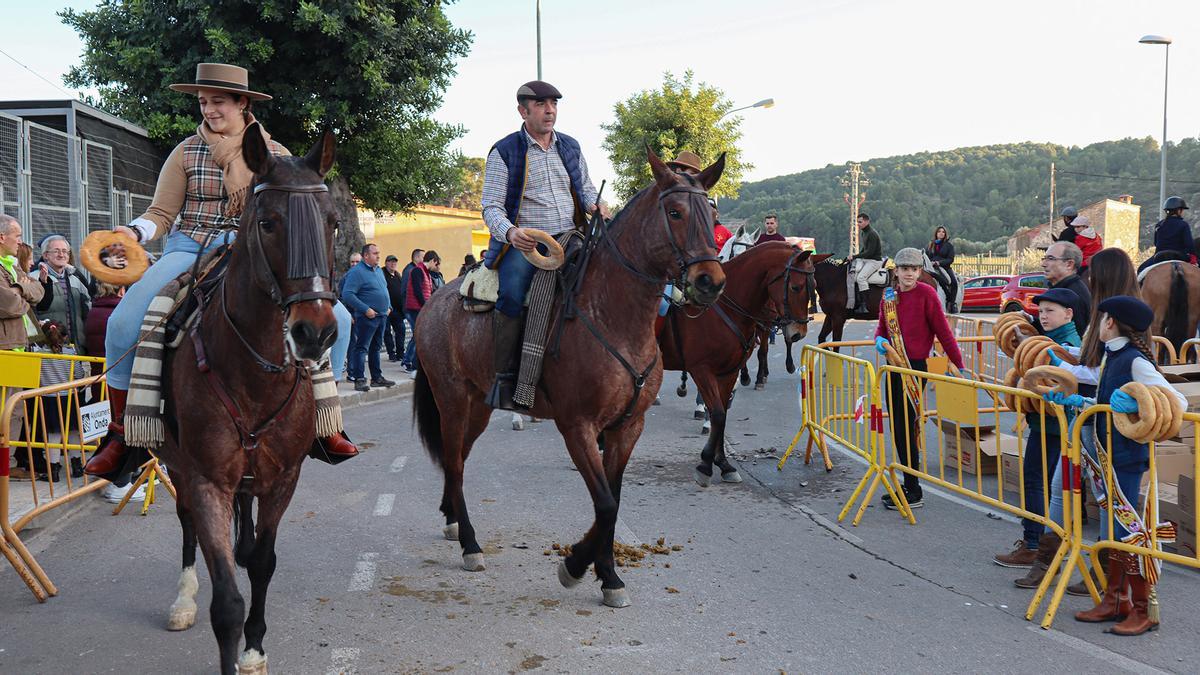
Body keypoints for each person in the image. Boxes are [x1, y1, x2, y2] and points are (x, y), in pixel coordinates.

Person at [85, 63, 358, 477]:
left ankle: (325, 423)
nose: (208, 110)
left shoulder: (278, 155)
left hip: (255, 254)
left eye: (217, 102)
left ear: (242, 103)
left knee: (341, 318)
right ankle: (123, 434)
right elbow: (161, 212)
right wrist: (134, 232)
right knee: (122, 323)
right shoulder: (185, 151)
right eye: (203, 102)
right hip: (190, 247)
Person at [1044, 296, 1184, 635]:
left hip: (1127, 456)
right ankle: (1115, 599)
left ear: (1110, 323)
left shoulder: (1135, 360)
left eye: (1101, 319)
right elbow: (1108, 403)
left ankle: (1143, 609)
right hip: (1108, 454)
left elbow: (1175, 400)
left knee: (1128, 532)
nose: (1096, 326)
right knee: (1113, 533)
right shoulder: (1113, 356)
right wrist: (1084, 402)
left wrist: (1137, 399)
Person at [480, 79, 607, 410]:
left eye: (553, 104)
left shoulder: (570, 146)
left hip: (573, 236)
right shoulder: (504, 150)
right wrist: (509, 233)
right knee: (511, 292)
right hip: (529, 244)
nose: (549, 110)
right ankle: (505, 378)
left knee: (608, 281)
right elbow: (490, 206)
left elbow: (587, 189)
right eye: (541, 105)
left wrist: (597, 205)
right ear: (523, 111)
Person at [1034, 248, 1136, 595]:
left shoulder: (1120, 317)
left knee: (1105, 495)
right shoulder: (1102, 314)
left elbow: (1103, 367)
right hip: (1086, 415)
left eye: (1096, 274)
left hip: (1103, 420)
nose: (1089, 279)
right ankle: (1046, 561)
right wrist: (1059, 357)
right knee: (1062, 489)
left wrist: (1059, 366)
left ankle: (1107, 571)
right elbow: (1092, 359)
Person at [996, 288, 1080, 571]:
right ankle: (1046, 545)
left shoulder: (1066, 342)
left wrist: (1026, 344)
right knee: (1043, 485)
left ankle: (1034, 545)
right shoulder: (1050, 338)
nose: (1043, 316)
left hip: (1055, 427)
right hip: (1044, 423)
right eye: (1041, 311)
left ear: (1068, 314)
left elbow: (1046, 373)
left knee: (1036, 482)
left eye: (1050, 311)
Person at [873, 247, 964, 509]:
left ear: (920, 271)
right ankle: (909, 483)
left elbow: (943, 331)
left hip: (915, 367)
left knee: (906, 426)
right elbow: (881, 327)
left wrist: (957, 362)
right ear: (896, 271)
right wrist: (879, 340)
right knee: (899, 427)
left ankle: (914, 489)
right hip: (894, 366)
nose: (909, 274)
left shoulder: (927, 294)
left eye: (913, 269)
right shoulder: (889, 297)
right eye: (904, 269)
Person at [341, 243, 395, 393]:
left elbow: (384, 289)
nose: (378, 256)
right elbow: (347, 294)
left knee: (376, 348)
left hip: (382, 315)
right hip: (367, 317)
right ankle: (359, 379)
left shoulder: (378, 270)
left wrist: (389, 305)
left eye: (379, 253)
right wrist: (365, 309)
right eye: (375, 253)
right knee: (361, 348)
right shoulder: (356, 272)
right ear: (366, 256)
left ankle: (377, 378)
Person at [33, 234, 91, 355]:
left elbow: (88, 311)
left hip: (76, 348)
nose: (61, 254)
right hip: (46, 348)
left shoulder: (76, 279)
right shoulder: (34, 278)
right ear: (45, 255)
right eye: (56, 251)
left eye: (65, 251)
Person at [403, 250, 442, 376]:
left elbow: (427, 291)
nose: (436, 267)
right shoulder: (417, 271)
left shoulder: (425, 272)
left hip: (420, 308)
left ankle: (411, 363)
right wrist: (426, 306)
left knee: (418, 337)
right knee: (419, 338)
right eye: (436, 264)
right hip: (415, 309)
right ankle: (413, 367)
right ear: (432, 261)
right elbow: (417, 291)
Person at [1040, 241, 1090, 336]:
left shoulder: (1074, 294)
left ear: (1069, 264)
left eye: (1050, 258)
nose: (1044, 264)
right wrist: (1029, 319)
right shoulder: (1060, 288)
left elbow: (1073, 338)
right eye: (1044, 258)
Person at [1137, 196, 1194, 273]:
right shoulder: (1183, 225)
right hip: (1179, 257)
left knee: (1140, 269)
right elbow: (1190, 245)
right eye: (1182, 210)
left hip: (1159, 257)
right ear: (1179, 211)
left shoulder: (1159, 225)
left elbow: (1156, 243)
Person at [847, 212, 883, 313]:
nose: (858, 224)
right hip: (867, 259)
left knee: (861, 278)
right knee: (852, 274)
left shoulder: (872, 234)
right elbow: (864, 249)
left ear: (867, 221)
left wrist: (854, 256)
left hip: (874, 261)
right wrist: (855, 258)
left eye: (860, 222)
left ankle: (865, 305)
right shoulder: (864, 232)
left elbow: (870, 252)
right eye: (857, 222)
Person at [399, 248, 423, 370]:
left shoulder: (415, 270)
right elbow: (404, 290)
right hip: (410, 308)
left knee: (416, 334)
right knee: (417, 334)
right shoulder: (410, 271)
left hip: (412, 308)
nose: (424, 260)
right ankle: (407, 360)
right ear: (416, 258)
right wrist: (406, 307)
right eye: (422, 257)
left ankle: (408, 359)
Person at [926, 226, 958, 312]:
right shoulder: (930, 245)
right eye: (939, 231)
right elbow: (926, 256)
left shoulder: (949, 246)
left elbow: (950, 259)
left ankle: (952, 303)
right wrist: (930, 263)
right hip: (932, 267)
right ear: (936, 233)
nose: (941, 233)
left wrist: (939, 263)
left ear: (945, 234)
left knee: (954, 283)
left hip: (945, 267)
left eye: (943, 232)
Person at [382, 254, 406, 363]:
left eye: (395, 262)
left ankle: (400, 353)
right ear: (386, 263)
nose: (393, 264)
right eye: (391, 262)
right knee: (387, 332)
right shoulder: (381, 273)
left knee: (401, 330)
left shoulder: (397, 275)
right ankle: (391, 353)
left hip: (397, 310)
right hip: (386, 309)